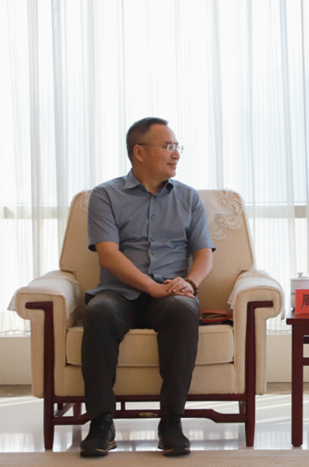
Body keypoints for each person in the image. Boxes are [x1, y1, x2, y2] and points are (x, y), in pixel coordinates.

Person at [79, 117, 214, 457]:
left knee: (183, 309)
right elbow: (109, 255)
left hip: (171, 293)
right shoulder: (105, 195)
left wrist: (190, 283)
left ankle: (171, 422)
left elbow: (204, 255)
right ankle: (101, 423)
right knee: (99, 311)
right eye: (168, 147)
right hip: (119, 292)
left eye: (177, 147)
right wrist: (150, 288)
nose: (176, 154)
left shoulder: (188, 197)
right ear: (139, 152)